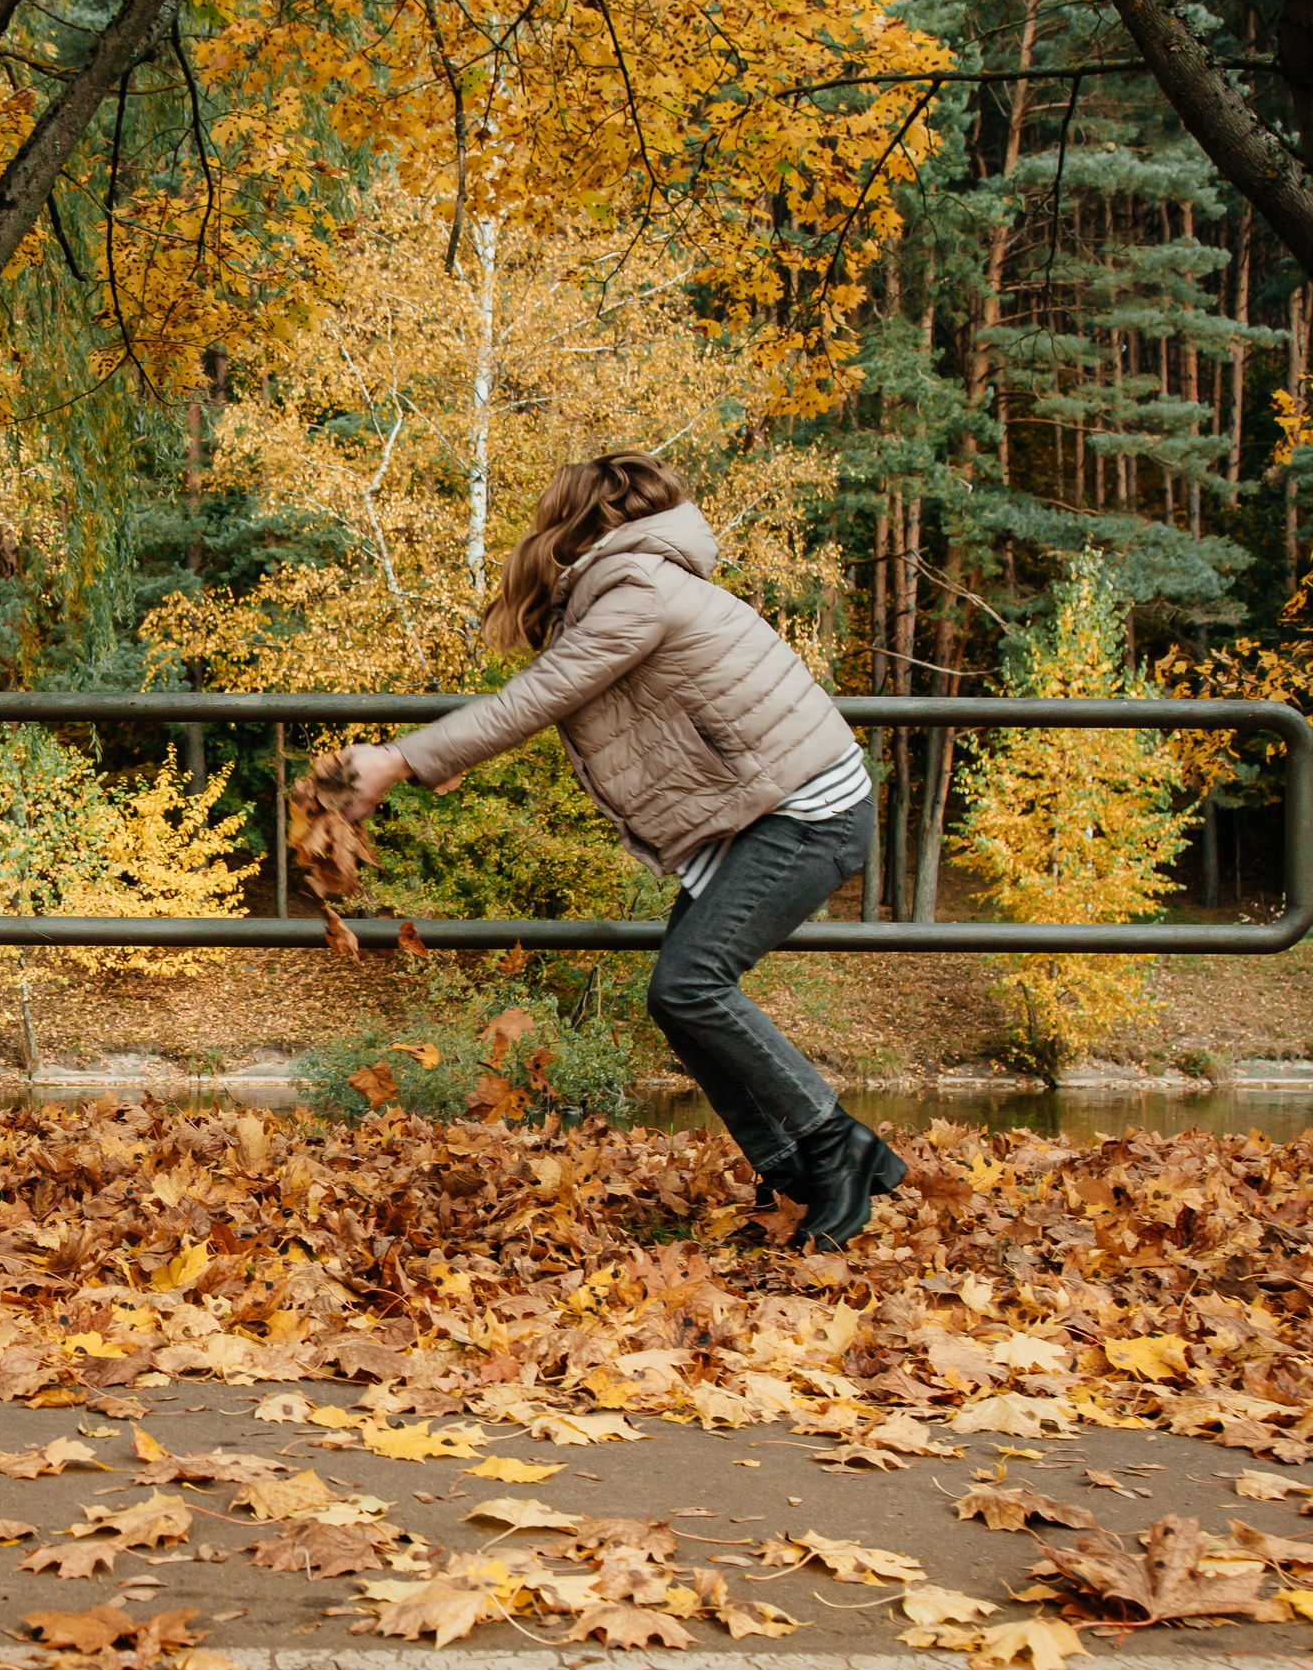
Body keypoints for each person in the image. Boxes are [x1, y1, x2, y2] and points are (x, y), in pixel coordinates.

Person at [332, 451, 904, 1248]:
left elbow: (540, 693)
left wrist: (404, 758)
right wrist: (447, 757)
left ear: (576, 523)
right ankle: (792, 1174)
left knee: (688, 984)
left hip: (805, 811)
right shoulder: (633, 583)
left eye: (543, 518)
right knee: (678, 1000)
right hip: (765, 809)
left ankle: (835, 1142)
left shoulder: (637, 589)